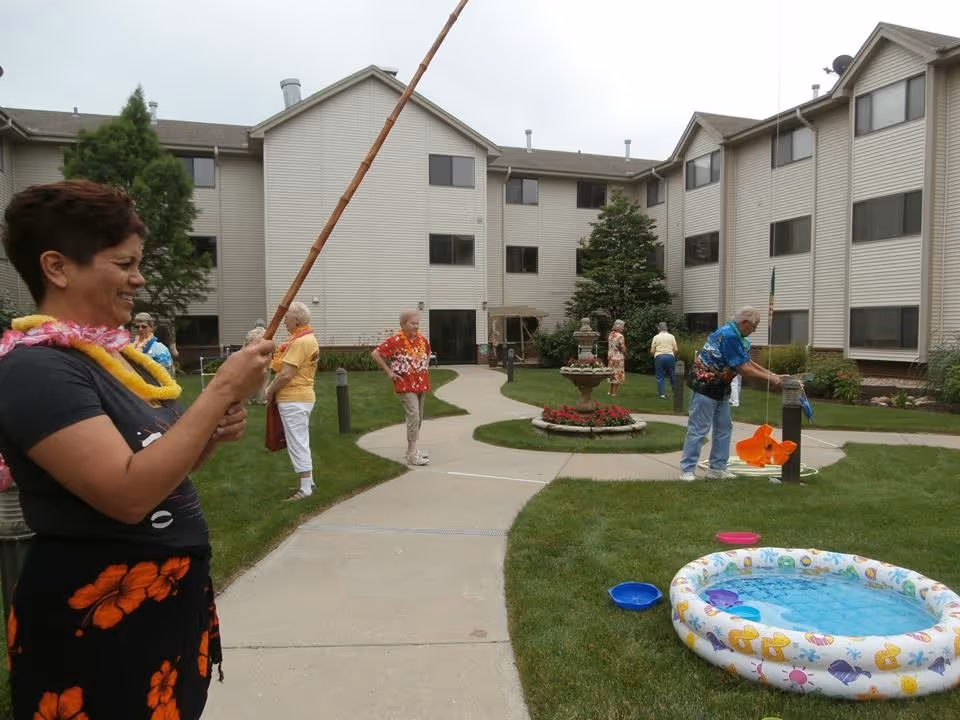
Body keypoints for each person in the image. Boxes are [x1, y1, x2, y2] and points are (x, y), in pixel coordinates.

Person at [0, 179, 274, 720]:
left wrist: (207, 434)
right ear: (57, 267)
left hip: (159, 611)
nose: (139, 278)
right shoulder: (38, 369)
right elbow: (127, 494)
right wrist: (219, 389)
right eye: (124, 263)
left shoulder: (106, 359)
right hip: (98, 627)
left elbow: (159, 468)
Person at [679, 306, 783, 481]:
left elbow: (747, 362)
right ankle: (687, 470)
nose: (755, 330)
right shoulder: (729, 336)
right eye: (754, 326)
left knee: (724, 428)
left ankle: (717, 469)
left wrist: (773, 375)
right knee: (699, 429)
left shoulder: (737, 336)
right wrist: (771, 380)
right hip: (705, 386)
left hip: (721, 388)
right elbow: (744, 370)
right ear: (744, 323)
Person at [265, 304, 319, 501]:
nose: (284, 320)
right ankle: (309, 481)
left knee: (297, 442)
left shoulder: (300, 342)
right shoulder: (308, 339)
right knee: (301, 440)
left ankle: (305, 488)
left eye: (287, 317)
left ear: (297, 320)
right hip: (302, 397)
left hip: (294, 398)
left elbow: (286, 374)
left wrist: (270, 390)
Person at [372, 310, 432, 466]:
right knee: (414, 415)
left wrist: (423, 367)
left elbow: (427, 354)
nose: (416, 326)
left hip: (420, 383)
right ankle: (412, 454)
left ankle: (411, 450)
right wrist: (390, 372)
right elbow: (376, 354)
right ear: (403, 324)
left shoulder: (422, 340)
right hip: (405, 384)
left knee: (418, 418)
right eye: (412, 323)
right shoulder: (396, 340)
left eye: (417, 323)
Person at [131, 311, 174, 376]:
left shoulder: (160, 348)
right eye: (137, 327)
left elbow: (167, 374)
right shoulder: (131, 346)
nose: (140, 329)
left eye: (144, 326)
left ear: (151, 328)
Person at [649, 321, 679, 399]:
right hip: (670, 356)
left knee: (660, 376)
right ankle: (675, 393)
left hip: (659, 357)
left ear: (659, 328)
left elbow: (652, 351)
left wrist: (654, 356)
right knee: (672, 375)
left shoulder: (656, 337)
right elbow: (676, 349)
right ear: (667, 328)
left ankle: (662, 394)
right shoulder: (671, 336)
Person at [244, 319, 269, 405]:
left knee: (252, 380)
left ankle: (251, 399)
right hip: (265, 360)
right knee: (264, 381)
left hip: (252, 360)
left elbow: (245, 348)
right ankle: (262, 399)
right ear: (264, 325)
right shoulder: (268, 333)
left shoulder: (249, 334)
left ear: (255, 325)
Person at [606, 319, 627, 397]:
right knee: (617, 374)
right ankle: (614, 393)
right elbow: (622, 348)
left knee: (612, 374)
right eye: (622, 326)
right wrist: (625, 351)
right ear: (618, 326)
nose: (623, 328)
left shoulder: (611, 334)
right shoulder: (620, 336)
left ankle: (609, 392)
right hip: (618, 357)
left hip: (611, 356)